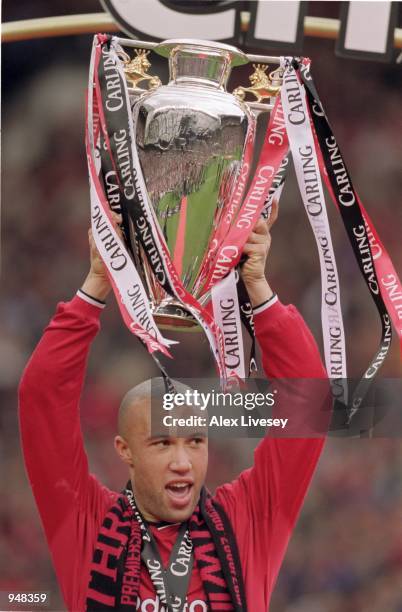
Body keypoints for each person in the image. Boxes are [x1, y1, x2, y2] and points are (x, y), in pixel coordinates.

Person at [19, 205, 328, 612]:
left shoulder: (248, 521)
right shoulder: (85, 525)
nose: (182, 462)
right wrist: (96, 284)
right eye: (162, 443)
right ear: (124, 450)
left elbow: (309, 402)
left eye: (194, 441)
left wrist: (257, 288)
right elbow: (42, 399)